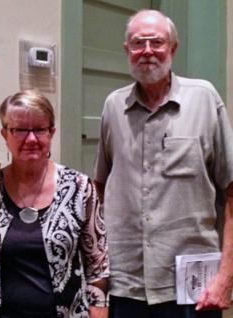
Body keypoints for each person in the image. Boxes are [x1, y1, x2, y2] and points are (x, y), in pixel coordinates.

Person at [94, 9, 233, 318]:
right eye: (137, 43)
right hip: (126, 286)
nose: (147, 51)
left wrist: (226, 278)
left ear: (173, 48)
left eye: (156, 42)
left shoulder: (205, 99)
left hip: (193, 290)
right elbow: (100, 189)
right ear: (126, 50)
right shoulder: (113, 106)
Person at [0, 89, 110, 318]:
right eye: (20, 130)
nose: (31, 139)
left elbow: (98, 267)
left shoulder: (79, 187)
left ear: (52, 132)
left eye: (39, 129)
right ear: (4, 133)